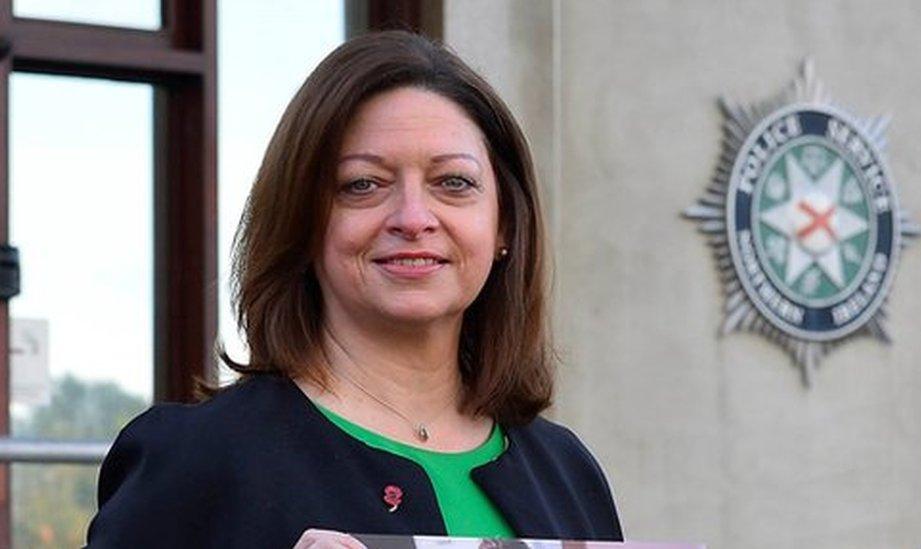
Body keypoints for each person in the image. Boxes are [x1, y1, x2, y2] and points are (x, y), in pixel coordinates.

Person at [86, 30, 622, 548]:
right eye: (362, 185)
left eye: (453, 183)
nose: (413, 218)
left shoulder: (567, 471)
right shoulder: (196, 460)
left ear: (504, 227)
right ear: (302, 222)